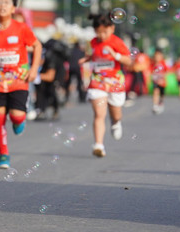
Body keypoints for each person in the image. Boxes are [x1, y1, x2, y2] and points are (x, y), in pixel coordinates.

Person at [0, 0, 42, 169]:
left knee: (16, 116)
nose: (2, 6)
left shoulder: (22, 29)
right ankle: (3, 155)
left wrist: (34, 69)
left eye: (6, 2)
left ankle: (18, 122)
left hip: (18, 80)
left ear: (14, 7)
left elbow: (37, 46)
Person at [78, 13, 131, 158]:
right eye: (98, 32)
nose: (101, 35)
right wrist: (86, 59)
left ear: (112, 28)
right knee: (99, 114)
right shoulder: (93, 42)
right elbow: (93, 55)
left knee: (116, 113)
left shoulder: (117, 42)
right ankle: (99, 145)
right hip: (98, 81)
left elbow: (129, 61)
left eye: (104, 31)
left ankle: (116, 123)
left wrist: (117, 56)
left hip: (115, 82)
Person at [35, 37, 66, 120]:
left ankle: (54, 110)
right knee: (42, 91)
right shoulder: (48, 54)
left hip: (55, 75)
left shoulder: (50, 57)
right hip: (51, 74)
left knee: (51, 92)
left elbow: (50, 76)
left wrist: (36, 75)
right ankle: (42, 110)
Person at [151, 50, 169, 114]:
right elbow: (150, 71)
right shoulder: (152, 64)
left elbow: (167, 71)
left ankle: (161, 102)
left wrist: (162, 77)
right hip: (155, 81)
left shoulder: (163, 63)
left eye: (159, 56)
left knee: (161, 94)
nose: (157, 58)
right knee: (156, 92)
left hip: (162, 82)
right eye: (156, 56)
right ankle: (155, 105)